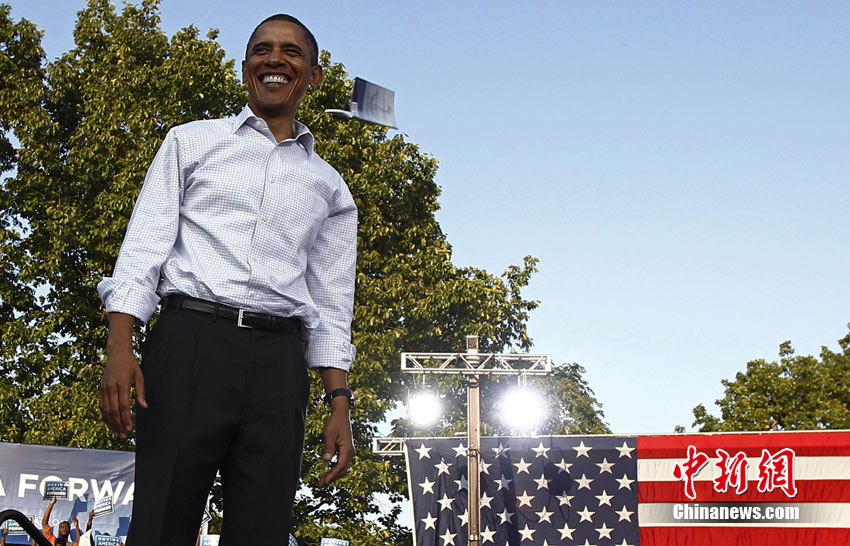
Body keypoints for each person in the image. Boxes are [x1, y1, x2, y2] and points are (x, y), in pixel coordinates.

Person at [97, 13, 356, 546]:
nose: (275, 59)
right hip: (190, 342)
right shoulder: (190, 142)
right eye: (262, 49)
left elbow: (332, 303)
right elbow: (143, 246)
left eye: (291, 52)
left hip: (280, 364)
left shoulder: (330, 186)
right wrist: (120, 346)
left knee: (263, 529)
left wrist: (339, 402)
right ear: (245, 69)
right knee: (162, 520)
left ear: (313, 76)